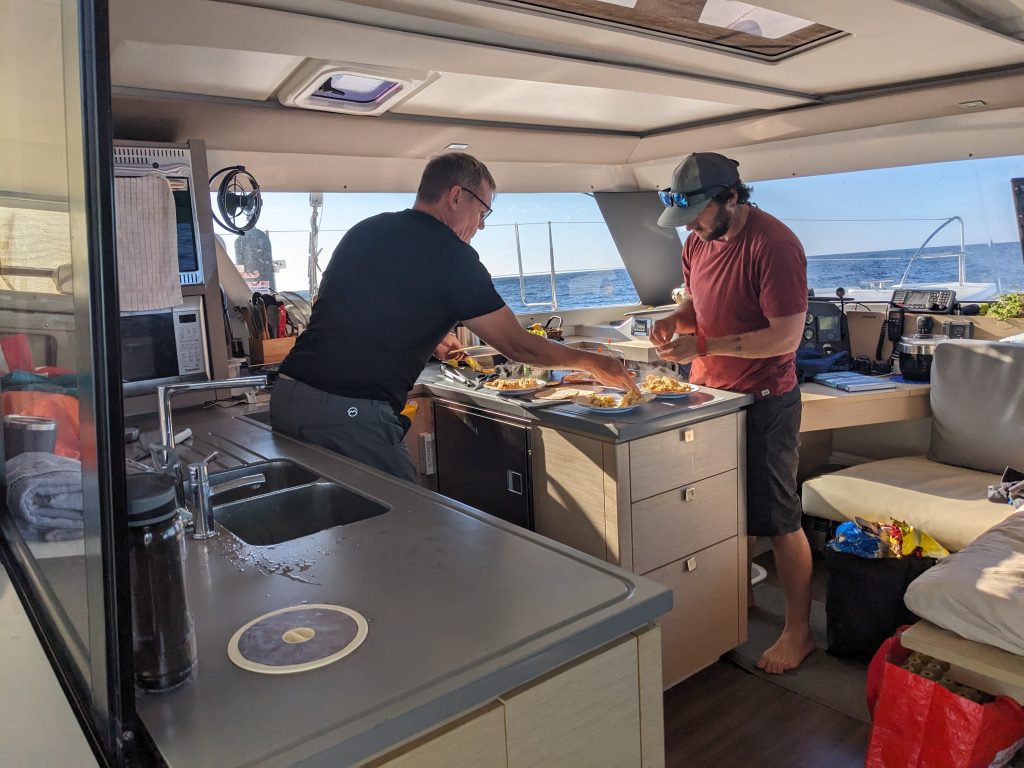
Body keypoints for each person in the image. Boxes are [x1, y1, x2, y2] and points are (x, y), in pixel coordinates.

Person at [273, 152, 636, 481]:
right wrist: (592, 362)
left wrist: (427, 339)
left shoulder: (367, 230)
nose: (481, 226)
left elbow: (347, 309)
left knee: (331, 531)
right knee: (406, 526)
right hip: (348, 412)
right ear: (456, 195)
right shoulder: (452, 256)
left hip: (290, 396)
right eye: (482, 212)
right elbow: (516, 345)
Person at [650, 152, 813, 674]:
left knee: (780, 519)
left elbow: (784, 336)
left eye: (698, 213)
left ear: (731, 197)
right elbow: (695, 306)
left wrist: (702, 346)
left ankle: (798, 629)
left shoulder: (775, 245)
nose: (691, 227)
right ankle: (736, 603)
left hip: (766, 400)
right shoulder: (698, 241)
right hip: (711, 400)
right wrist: (674, 321)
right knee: (724, 513)